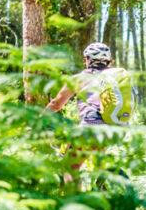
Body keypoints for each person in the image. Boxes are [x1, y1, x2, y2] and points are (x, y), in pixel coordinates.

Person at [45, 42, 117, 171]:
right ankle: (104, 185)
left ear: (87, 60)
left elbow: (56, 105)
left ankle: (74, 190)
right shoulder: (115, 79)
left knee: (70, 168)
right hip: (113, 129)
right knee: (99, 168)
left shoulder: (79, 79)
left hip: (91, 127)